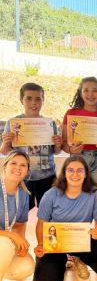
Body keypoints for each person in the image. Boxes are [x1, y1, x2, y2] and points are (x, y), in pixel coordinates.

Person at [32, 156, 97, 281]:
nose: (75, 174)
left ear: (86, 174)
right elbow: (41, 224)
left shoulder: (95, 194)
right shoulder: (51, 194)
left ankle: (80, 259)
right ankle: (60, 262)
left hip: (80, 241)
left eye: (79, 170)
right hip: (55, 243)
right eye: (70, 170)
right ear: (64, 173)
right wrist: (41, 244)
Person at [0, 83, 62, 211]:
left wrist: (57, 144)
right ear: (21, 100)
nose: (33, 103)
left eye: (38, 99)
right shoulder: (13, 123)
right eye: (28, 98)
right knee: (19, 213)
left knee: (49, 212)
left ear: (43, 101)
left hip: (47, 176)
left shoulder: (49, 124)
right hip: (22, 177)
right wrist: (6, 142)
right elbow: (5, 151)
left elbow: (56, 152)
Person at [62, 77, 97, 200]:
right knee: (77, 202)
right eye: (86, 90)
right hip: (78, 159)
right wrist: (71, 150)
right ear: (80, 93)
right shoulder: (71, 113)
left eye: (95, 90)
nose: (90, 94)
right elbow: (64, 143)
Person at [0, 151, 35, 281]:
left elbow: (20, 225)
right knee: (5, 244)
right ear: (4, 166)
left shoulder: (23, 194)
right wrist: (12, 236)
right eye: (13, 163)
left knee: (26, 266)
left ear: (27, 171)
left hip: (3, 243)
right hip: (3, 243)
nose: (18, 168)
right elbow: (11, 235)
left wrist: (21, 245)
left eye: (23, 165)